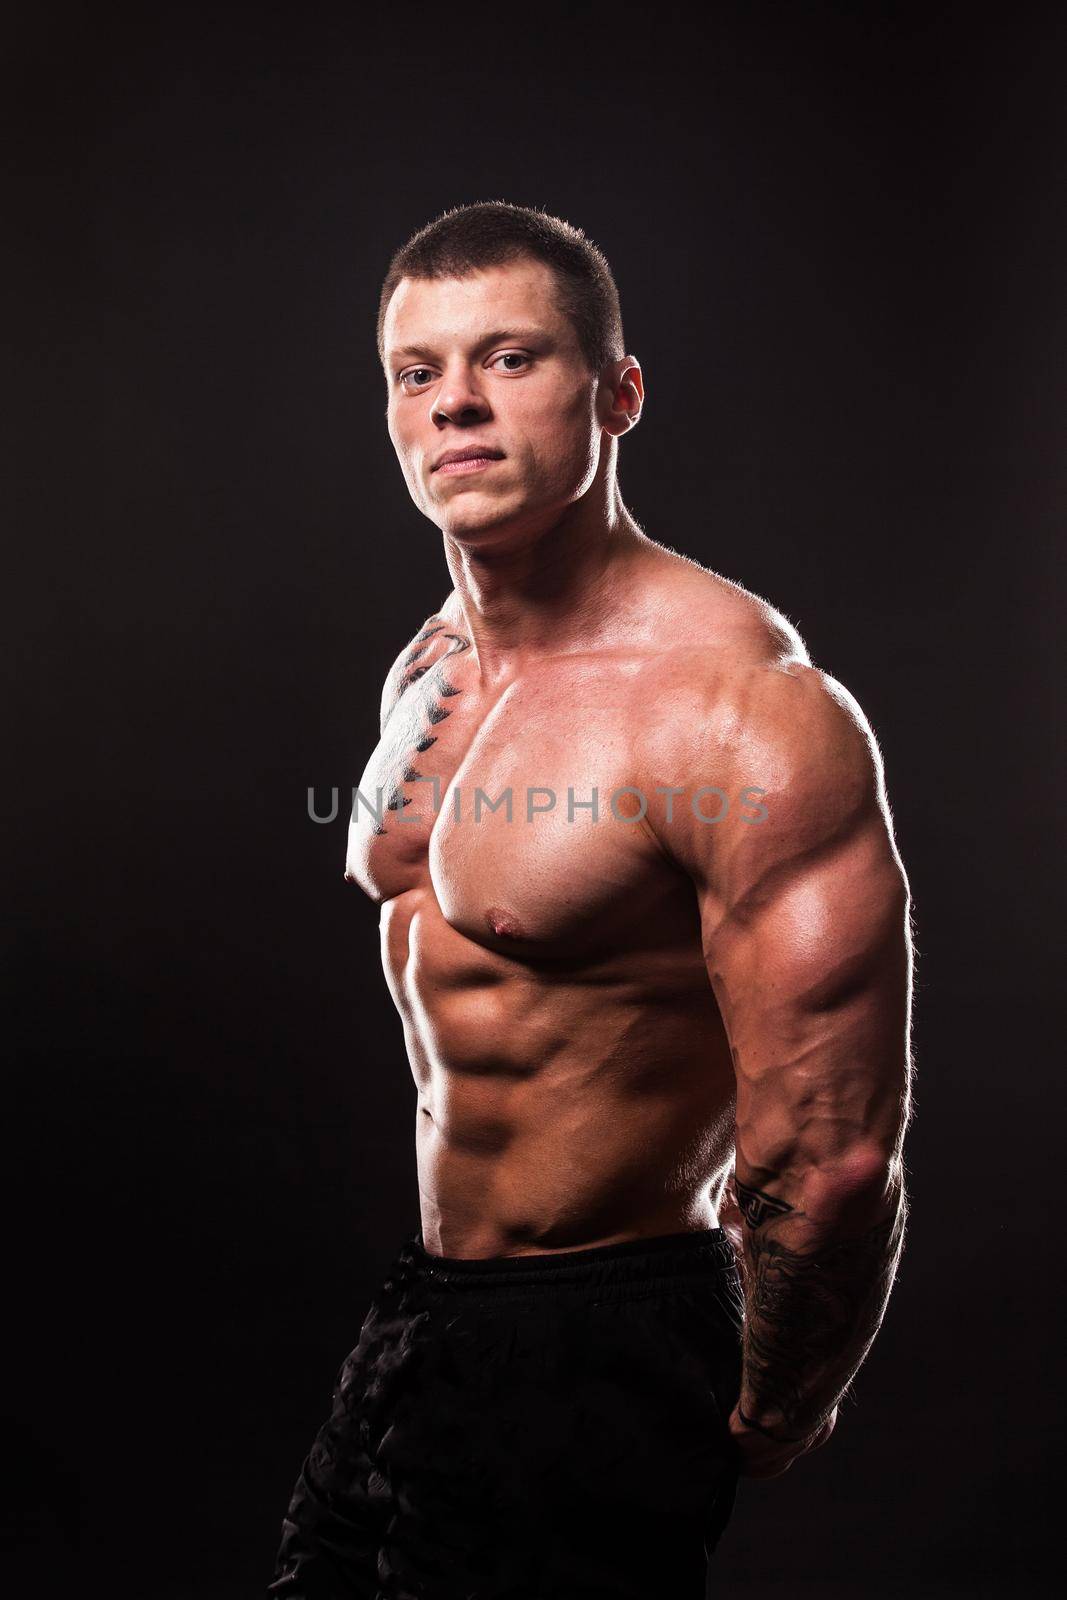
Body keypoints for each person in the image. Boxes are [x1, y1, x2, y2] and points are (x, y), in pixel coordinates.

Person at [270, 202, 914, 1599]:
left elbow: (836, 1151)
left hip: (597, 1336)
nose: (454, 405)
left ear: (616, 393)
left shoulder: (739, 707)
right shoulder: (430, 667)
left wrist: (778, 1397)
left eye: (509, 360)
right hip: (424, 1311)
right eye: (415, 371)